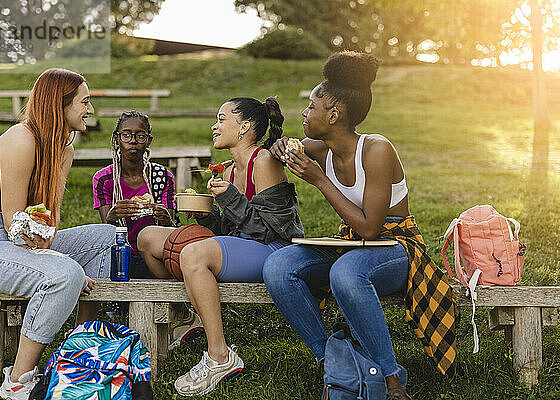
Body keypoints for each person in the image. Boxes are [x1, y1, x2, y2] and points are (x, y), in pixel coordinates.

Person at [263, 51, 458, 400]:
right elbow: (287, 148)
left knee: (346, 273)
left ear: (334, 114)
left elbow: (371, 228)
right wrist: (279, 147)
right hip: (352, 244)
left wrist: (320, 181)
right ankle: (336, 363)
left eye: (311, 106)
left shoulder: (377, 149)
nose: (304, 114)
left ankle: (390, 378)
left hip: (395, 246)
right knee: (278, 266)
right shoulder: (319, 148)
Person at [0, 68, 116, 400]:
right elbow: (14, 224)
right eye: (84, 102)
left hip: (19, 236)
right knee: (65, 274)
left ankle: (76, 351)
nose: (90, 110)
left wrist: (51, 250)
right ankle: (18, 381)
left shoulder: (63, 148)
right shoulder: (21, 139)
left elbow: (49, 219)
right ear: (59, 105)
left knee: (108, 237)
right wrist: (59, 262)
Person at [137, 96, 304, 396]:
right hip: (243, 245)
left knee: (194, 254)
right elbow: (230, 230)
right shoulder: (227, 171)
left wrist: (229, 199)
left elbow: (269, 230)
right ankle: (190, 317)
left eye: (221, 119)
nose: (214, 126)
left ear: (245, 127)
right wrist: (207, 215)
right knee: (148, 238)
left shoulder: (263, 161)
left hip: (273, 250)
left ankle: (220, 356)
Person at [92, 110, 203, 349]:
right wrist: (113, 214)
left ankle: (180, 310)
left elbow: (172, 227)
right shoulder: (104, 179)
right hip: (120, 256)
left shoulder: (162, 177)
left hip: (153, 256)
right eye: (127, 135)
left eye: (140, 136)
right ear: (116, 139)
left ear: (149, 141)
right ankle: (117, 302)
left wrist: (164, 217)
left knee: (155, 247)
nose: (133, 142)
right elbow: (105, 228)